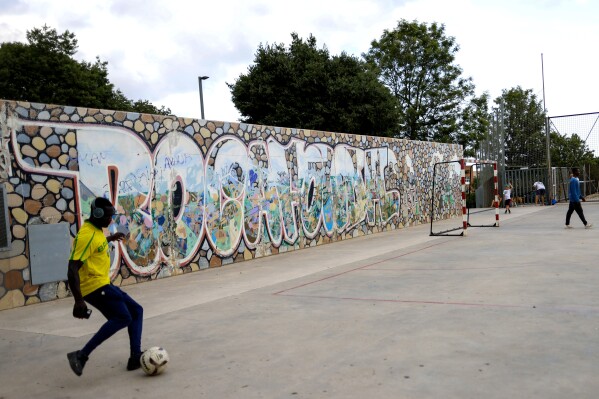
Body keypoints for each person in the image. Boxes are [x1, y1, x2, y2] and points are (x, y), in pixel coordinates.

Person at [67, 197, 144, 376]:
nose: (110, 220)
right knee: (123, 317)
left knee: (136, 311)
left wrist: (110, 238)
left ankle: (135, 357)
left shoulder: (96, 230)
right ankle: (81, 355)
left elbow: (97, 244)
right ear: (97, 214)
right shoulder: (87, 235)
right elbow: (72, 269)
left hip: (103, 283)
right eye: (108, 217)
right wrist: (78, 300)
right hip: (94, 287)